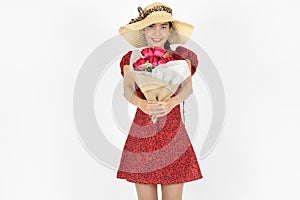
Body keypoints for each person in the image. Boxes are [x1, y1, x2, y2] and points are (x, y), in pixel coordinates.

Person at [116, 2, 203, 200]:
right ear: (144, 30)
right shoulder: (132, 58)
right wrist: (143, 104)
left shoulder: (181, 57)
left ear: (170, 30)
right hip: (143, 134)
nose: (157, 32)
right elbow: (128, 89)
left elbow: (188, 86)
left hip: (173, 134)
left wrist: (172, 102)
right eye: (151, 26)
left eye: (163, 26)